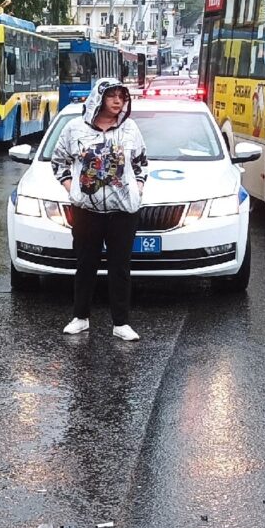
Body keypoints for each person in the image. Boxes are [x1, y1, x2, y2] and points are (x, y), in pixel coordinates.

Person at [50, 78, 150, 341]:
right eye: (112, 96)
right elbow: (58, 161)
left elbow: (141, 163)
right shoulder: (75, 129)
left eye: (122, 97)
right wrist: (73, 189)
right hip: (87, 211)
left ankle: (121, 323)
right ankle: (80, 317)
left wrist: (137, 188)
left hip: (123, 212)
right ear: (99, 98)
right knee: (86, 264)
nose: (118, 102)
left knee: (120, 267)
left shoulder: (129, 129)